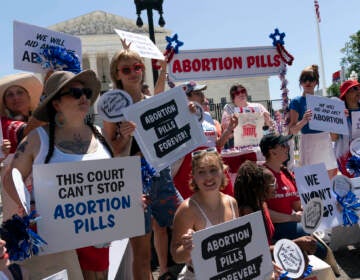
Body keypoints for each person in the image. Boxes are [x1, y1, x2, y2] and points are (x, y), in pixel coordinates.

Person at [3, 70, 113, 280]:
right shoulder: (38, 138)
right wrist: (27, 207)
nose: (83, 97)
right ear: (56, 104)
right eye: (75, 92)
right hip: (57, 236)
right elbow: (11, 177)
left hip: (98, 231)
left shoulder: (100, 135)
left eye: (86, 92)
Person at [104, 48, 181, 280]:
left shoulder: (151, 101)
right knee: (142, 252)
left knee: (184, 224)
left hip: (161, 174)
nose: (133, 73)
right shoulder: (112, 109)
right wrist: (125, 135)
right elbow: (112, 150)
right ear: (117, 74)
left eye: (137, 67)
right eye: (126, 69)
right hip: (133, 181)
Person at [259, 133, 340, 275]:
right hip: (274, 229)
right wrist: (294, 218)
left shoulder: (286, 174)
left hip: (291, 224)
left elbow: (297, 206)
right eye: (283, 145)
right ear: (272, 152)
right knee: (311, 240)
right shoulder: (263, 176)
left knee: (314, 239)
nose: (287, 148)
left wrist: (324, 207)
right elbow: (263, 212)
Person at [170, 148, 239, 279]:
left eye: (213, 170)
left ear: (223, 171)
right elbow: (176, 256)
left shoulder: (232, 203)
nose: (208, 177)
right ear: (194, 176)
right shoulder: (187, 209)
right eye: (201, 172)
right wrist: (187, 249)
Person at [172, 81, 237, 199]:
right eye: (197, 93)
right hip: (191, 169)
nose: (202, 95)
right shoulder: (177, 117)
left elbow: (216, 144)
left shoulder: (206, 115)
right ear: (186, 97)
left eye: (201, 92)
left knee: (226, 201)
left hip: (214, 163)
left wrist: (229, 130)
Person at [0, 73, 43, 222]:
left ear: (29, 97)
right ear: (5, 103)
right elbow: (24, 131)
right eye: (9, 95)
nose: (15, 97)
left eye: (19, 92)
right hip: (16, 202)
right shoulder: (3, 125)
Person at [288, 65, 337, 179]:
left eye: (311, 79)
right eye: (304, 79)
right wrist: (304, 120)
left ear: (316, 82)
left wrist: (339, 118)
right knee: (311, 182)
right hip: (309, 143)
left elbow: (334, 136)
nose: (308, 82)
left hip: (325, 142)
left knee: (329, 181)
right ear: (300, 83)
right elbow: (293, 130)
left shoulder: (323, 102)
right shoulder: (297, 101)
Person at [221, 83, 273, 148]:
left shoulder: (258, 106)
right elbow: (228, 134)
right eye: (237, 93)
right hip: (238, 146)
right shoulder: (228, 111)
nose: (241, 94)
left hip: (258, 144)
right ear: (233, 98)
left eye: (243, 91)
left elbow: (269, 125)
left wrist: (266, 120)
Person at [331, 79, 360, 177]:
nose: (358, 91)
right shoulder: (339, 113)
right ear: (346, 94)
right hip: (347, 157)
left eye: (359, 88)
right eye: (354, 89)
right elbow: (333, 138)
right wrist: (339, 119)